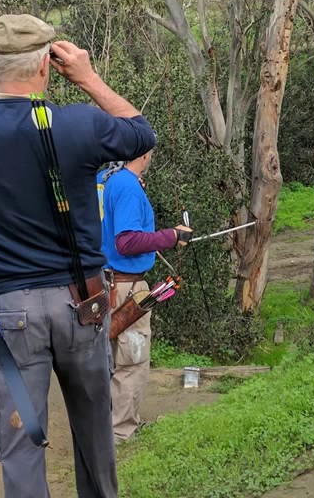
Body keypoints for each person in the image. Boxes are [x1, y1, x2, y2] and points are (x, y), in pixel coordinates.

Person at [0, 13, 155, 498]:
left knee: (20, 442)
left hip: (9, 311)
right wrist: (88, 76)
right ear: (47, 66)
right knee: (95, 432)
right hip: (82, 303)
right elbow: (141, 132)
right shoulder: (77, 125)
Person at [97, 152, 189, 443]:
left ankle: (108, 425)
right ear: (146, 153)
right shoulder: (126, 185)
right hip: (127, 286)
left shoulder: (105, 178)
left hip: (105, 283)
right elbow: (127, 242)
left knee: (111, 359)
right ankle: (122, 430)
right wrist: (171, 236)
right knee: (131, 359)